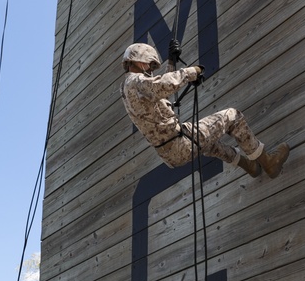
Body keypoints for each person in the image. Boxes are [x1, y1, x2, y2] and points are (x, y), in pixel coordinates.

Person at [121, 42, 290, 179]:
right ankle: (268, 163)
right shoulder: (136, 81)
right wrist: (192, 72)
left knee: (212, 145)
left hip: (170, 153)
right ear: (139, 60)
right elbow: (164, 85)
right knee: (232, 117)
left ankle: (251, 167)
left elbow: (160, 94)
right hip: (181, 143)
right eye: (149, 66)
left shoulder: (129, 88)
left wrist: (171, 63)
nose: (150, 70)